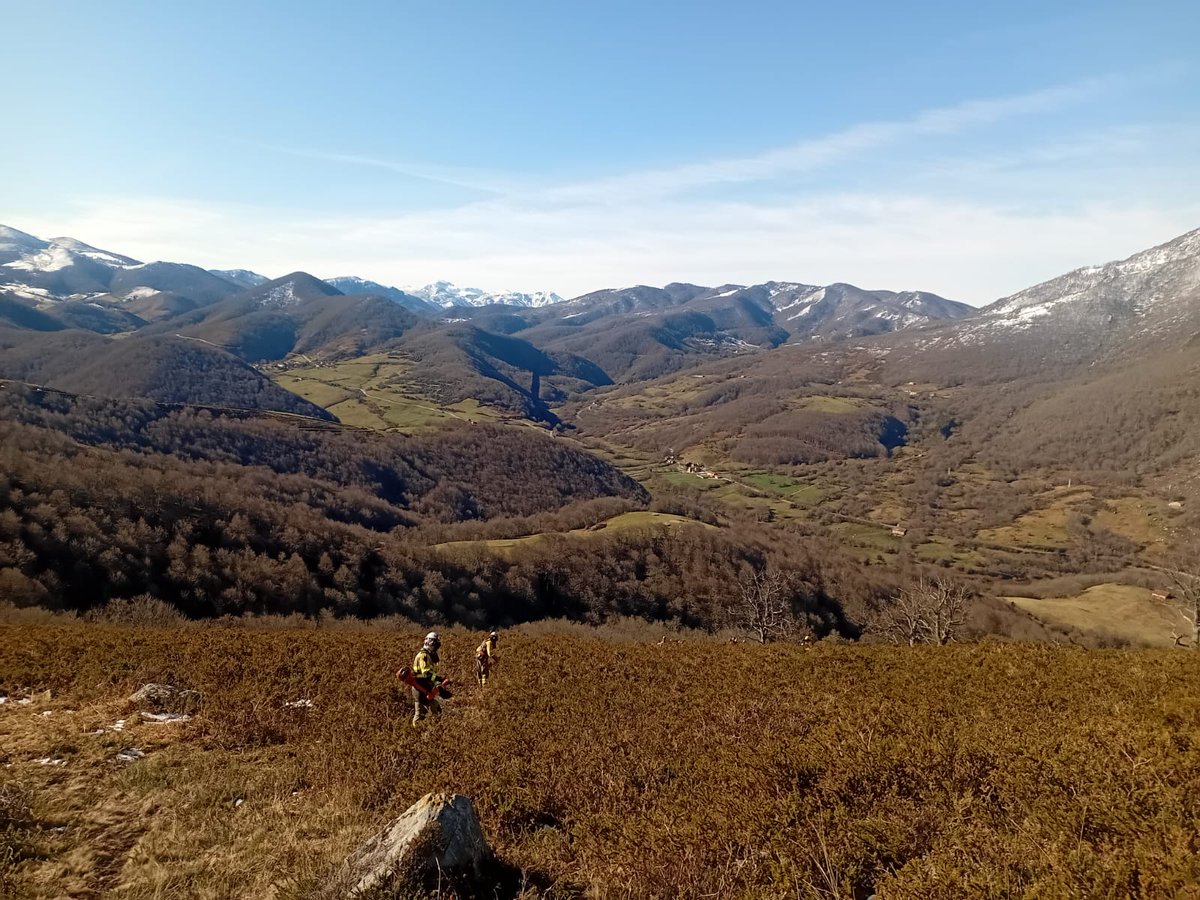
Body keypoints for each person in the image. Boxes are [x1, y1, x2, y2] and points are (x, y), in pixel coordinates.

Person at [410, 631, 448, 726]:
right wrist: (440, 680)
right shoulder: (423, 656)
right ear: (428, 642)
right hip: (421, 688)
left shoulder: (428, 655)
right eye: (434, 644)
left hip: (423, 687)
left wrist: (438, 685)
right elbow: (427, 674)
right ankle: (428, 732)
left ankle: (421, 731)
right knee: (429, 712)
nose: (435, 647)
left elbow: (430, 675)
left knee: (424, 712)